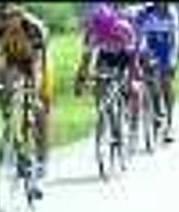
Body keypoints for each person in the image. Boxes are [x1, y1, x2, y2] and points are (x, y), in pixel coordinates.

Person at [0, 2, 51, 197]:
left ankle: (41, 160)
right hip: (9, 61)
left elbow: (39, 65)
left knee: (39, 107)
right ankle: (17, 147)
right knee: (5, 93)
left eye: (12, 16)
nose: (7, 21)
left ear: (21, 14)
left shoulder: (34, 28)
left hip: (33, 62)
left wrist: (35, 92)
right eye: (3, 17)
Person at [75, 2, 143, 138]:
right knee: (101, 87)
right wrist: (80, 80)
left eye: (101, 28)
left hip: (125, 56)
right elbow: (85, 59)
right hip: (106, 56)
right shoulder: (92, 32)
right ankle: (109, 121)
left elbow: (132, 57)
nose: (98, 31)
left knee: (133, 89)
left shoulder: (123, 27)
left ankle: (134, 124)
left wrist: (134, 75)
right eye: (96, 27)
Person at [133, 1, 178, 142]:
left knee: (166, 85)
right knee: (154, 87)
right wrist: (140, 52)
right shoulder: (145, 11)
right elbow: (138, 35)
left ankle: (169, 125)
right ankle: (157, 114)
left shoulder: (171, 12)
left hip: (166, 52)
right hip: (150, 53)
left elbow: (175, 38)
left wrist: (173, 58)